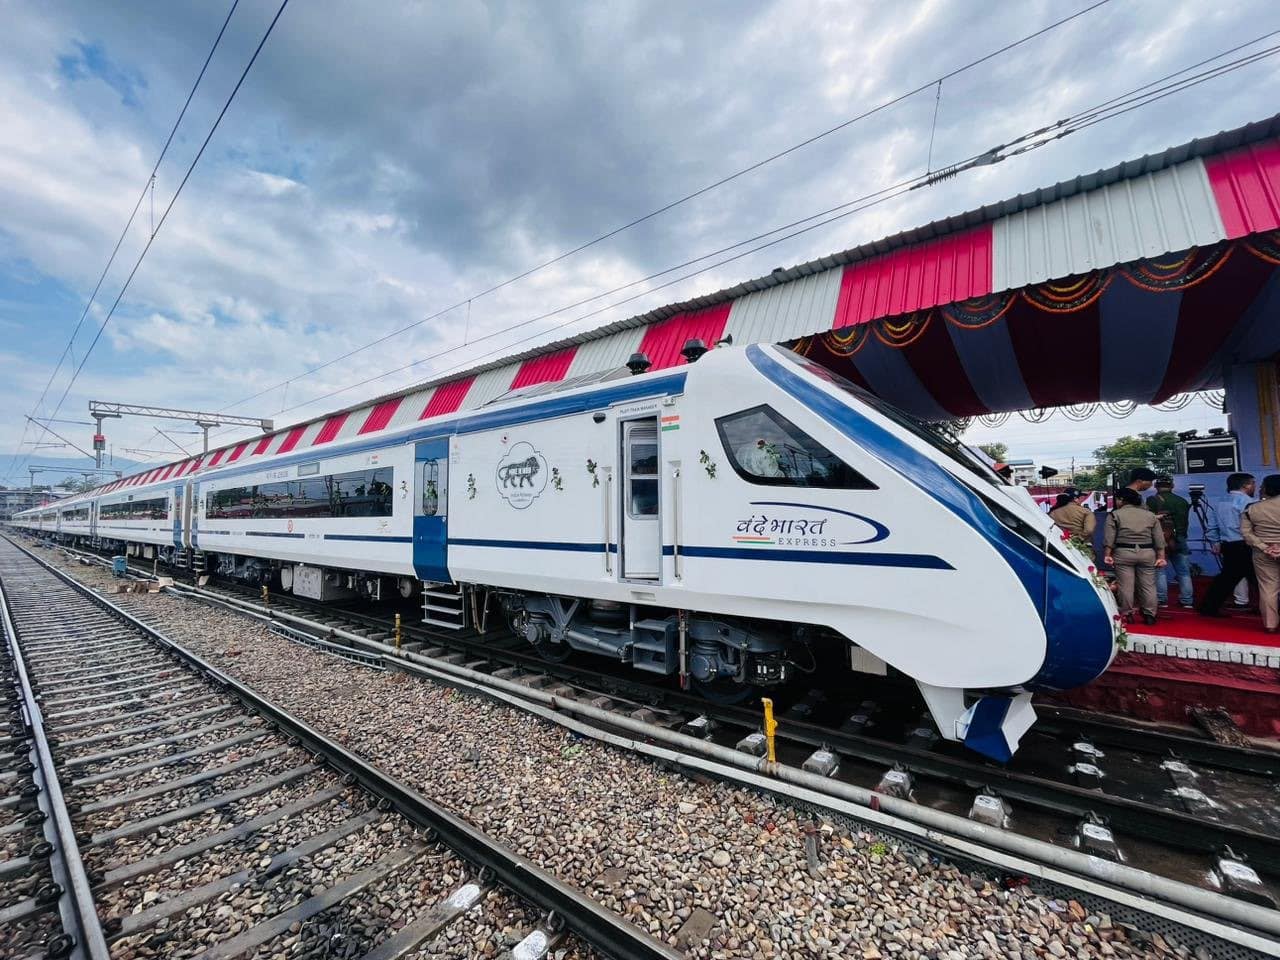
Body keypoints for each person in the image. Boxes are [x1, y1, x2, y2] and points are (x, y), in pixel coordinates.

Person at [1198, 472, 1258, 617]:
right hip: (1247, 544)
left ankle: (1209, 606)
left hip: (1228, 544)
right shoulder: (1249, 502)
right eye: (1253, 483)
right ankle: (1269, 607)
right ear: (1246, 485)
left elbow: (1211, 526)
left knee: (1227, 578)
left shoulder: (1219, 502)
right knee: (1260, 578)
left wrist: (1215, 542)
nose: (1255, 486)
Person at [1104, 487, 1167, 624]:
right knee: (1148, 585)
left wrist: (1108, 554)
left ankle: (1127, 614)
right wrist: (1161, 556)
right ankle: (1150, 615)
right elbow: (1159, 538)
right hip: (1147, 552)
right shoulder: (1150, 515)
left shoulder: (1115, 515)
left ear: (1121, 500)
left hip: (1124, 552)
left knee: (1125, 585)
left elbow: (1109, 538)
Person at [1146, 477, 1194, 609]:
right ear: (1172, 486)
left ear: (1156, 486)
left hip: (1159, 539)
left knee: (1160, 570)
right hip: (1179, 539)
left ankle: (1162, 600)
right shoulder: (1182, 501)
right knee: (1184, 572)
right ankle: (1187, 601)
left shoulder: (1151, 500)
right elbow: (1184, 522)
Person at [1241, 474, 1280, 634]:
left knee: (1268, 588)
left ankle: (1270, 624)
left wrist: (1265, 547)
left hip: (1263, 553)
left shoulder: (1252, 508)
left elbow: (1246, 533)